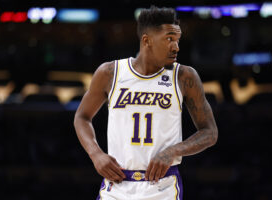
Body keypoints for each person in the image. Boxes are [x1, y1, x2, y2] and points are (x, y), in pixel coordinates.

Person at [74, 6, 218, 200]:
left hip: (162, 186)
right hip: (116, 185)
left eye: (177, 40)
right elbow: (82, 117)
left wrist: (173, 151)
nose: (176, 47)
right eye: (169, 39)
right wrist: (96, 154)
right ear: (147, 40)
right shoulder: (110, 73)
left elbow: (210, 133)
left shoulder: (184, 76)